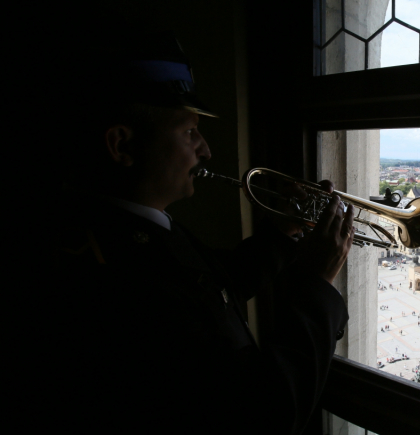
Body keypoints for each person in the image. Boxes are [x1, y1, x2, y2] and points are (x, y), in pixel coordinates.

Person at [33, 30, 353, 433]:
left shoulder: (131, 226)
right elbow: (264, 415)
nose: (205, 150)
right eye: (189, 132)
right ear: (121, 145)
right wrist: (316, 284)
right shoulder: (112, 273)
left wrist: (282, 233)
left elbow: (211, 288)